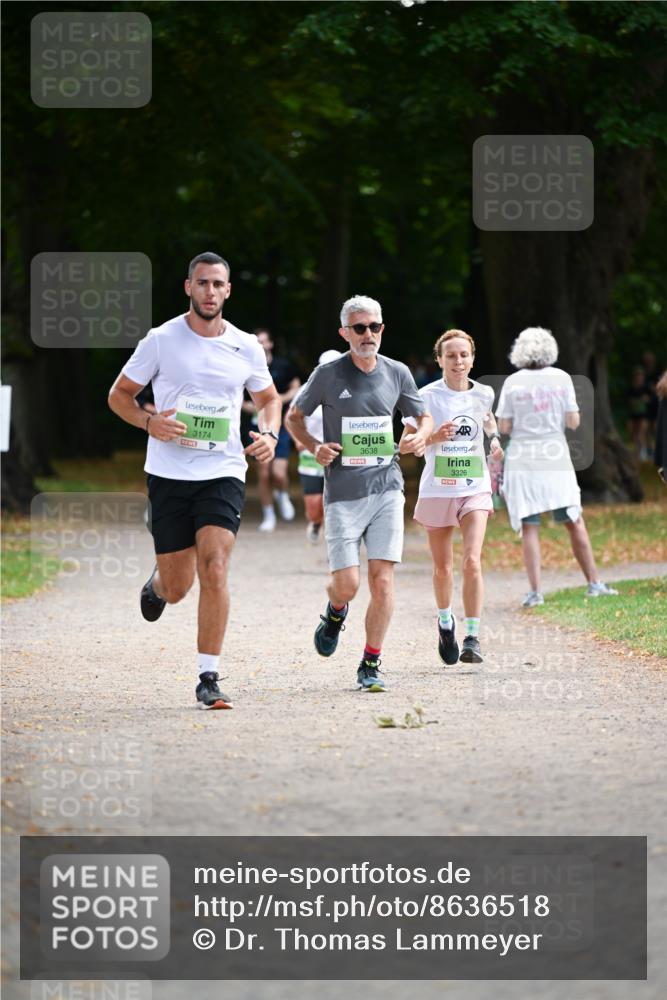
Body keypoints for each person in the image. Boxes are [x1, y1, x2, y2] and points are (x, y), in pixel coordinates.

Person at [108, 252, 281, 710]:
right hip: (168, 473)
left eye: (217, 284)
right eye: (201, 283)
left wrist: (269, 432)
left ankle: (209, 676)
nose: (209, 291)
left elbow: (268, 398)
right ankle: (158, 585)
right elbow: (119, 395)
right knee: (179, 586)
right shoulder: (161, 340)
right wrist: (149, 423)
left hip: (222, 471)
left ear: (228, 291)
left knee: (216, 565)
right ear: (188, 287)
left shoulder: (245, 345)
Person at [285, 295, 432, 692]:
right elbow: (293, 417)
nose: (369, 335)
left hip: (387, 488)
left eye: (375, 327)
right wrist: (313, 446)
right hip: (343, 493)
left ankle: (370, 662)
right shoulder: (328, 374)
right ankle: (335, 612)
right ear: (344, 333)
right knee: (348, 584)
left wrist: (418, 433)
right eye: (360, 328)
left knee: (383, 582)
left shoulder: (398, 372)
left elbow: (423, 415)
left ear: (383, 328)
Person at [400, 329, 503, 665]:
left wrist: (496, 441)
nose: (458, 361)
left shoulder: (484, 393)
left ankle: (472, 636)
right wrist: (433, 438)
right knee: (442, 568)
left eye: (464, 355)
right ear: (439, 360)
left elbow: (488, 424)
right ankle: (446, 622)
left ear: (472, 358)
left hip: (474, 486)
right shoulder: (426, 396)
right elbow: (403, 445)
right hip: (438, 490)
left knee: (472, 560)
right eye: (451, 356)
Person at [496, 326, 618, 607]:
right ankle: (594, 582)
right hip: (554, 456)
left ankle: (535, 591)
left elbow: (504, 425)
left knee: (529, 524)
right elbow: (573, 421)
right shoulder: (562, 378)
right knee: (574, 520)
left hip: (523, 458)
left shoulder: (513, 382)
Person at [243, 328, 301, 531]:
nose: (261, 345)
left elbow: (296, 387)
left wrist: (275, 402)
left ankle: (282, 494)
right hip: (255, 425)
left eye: (264, 341)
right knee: (264, 473)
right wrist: (247, 406)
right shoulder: (245, 366)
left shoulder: (283, 366)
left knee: (278, 473)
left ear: (270, 344)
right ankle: (268, 515)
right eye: (257, 342)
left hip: (280, 424)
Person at [291, 349, 342, 543]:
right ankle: (314, 522)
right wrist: (300, 441)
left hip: (338, 456)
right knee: (314, 507)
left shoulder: (350, 390)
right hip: (311, 454)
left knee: (335, 505)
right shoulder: (306, 390)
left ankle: (335, 543)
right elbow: (293, 419)